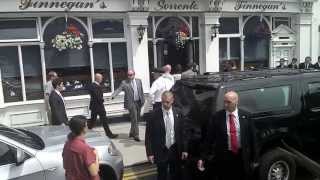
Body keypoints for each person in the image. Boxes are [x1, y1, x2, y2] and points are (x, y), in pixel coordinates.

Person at [197, 91, 255, 180]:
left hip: (241, 156)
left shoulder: (246, 116)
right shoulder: (217, 117)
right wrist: (202, 157)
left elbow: (252, 138)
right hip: (224, 157)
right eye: (224, 102)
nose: (225, 105)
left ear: (236, 101)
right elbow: (209, 139)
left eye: (229, 102)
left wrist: (255, 158)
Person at [145, 91, 188, 180]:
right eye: (163, 101)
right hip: (161, 150)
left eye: (167, 102)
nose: (165, 104)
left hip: (175, 149)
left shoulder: (179, 113)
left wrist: (185, 149)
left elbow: (183, 132)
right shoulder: (153, 115)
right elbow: (148, 136)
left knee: (176, 174)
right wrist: (150, 153)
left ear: (172, 100)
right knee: (162, 175)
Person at [111, 70, 145, 142]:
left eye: (131, 75)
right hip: (131, 103)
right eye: (128, 75)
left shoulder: (139, 81)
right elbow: (119, 89)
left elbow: (141, 91)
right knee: (135, 119)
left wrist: (143, 100)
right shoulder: (124, 82)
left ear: (134, 74)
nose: (130, 76)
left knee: (136, 119)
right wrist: (113, 95)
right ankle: (136, 135)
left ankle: (131, 132)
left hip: (139, 102)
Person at [62, 115, 100, 180]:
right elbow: (94, 172)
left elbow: (65, 166)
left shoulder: (67, 145)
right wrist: (96, 156)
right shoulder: (85, 149)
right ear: (83, 128)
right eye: (86, 125)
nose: (87, 126)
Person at [87, 73, 118, 139]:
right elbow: (97, 96)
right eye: (101, 78)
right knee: (98, 121)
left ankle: (109, 134)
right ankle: (109, 134)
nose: (102, 79)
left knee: (98, 121)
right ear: (97, 78)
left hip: (96, 106)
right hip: (97, 106)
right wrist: (103, 100)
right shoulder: (93, 86)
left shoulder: (95, 85)